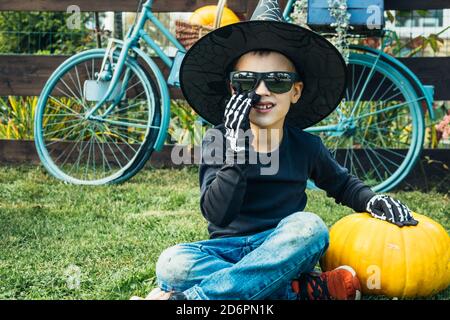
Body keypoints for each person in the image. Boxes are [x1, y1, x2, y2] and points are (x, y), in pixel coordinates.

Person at [132, 0, 418, 301]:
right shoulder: (218, 139)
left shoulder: (306, 145)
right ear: (233, 90)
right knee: (172, 264)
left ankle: (192, 300)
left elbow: (342, 183)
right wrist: (236, 146)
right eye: (246, 82)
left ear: (295, 92)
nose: (261, 91)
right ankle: (298, 291)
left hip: (282, 245)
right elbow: (218, 213)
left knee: (311, 227)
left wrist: (373, 200)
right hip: (226, 250)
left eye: (277, 81)